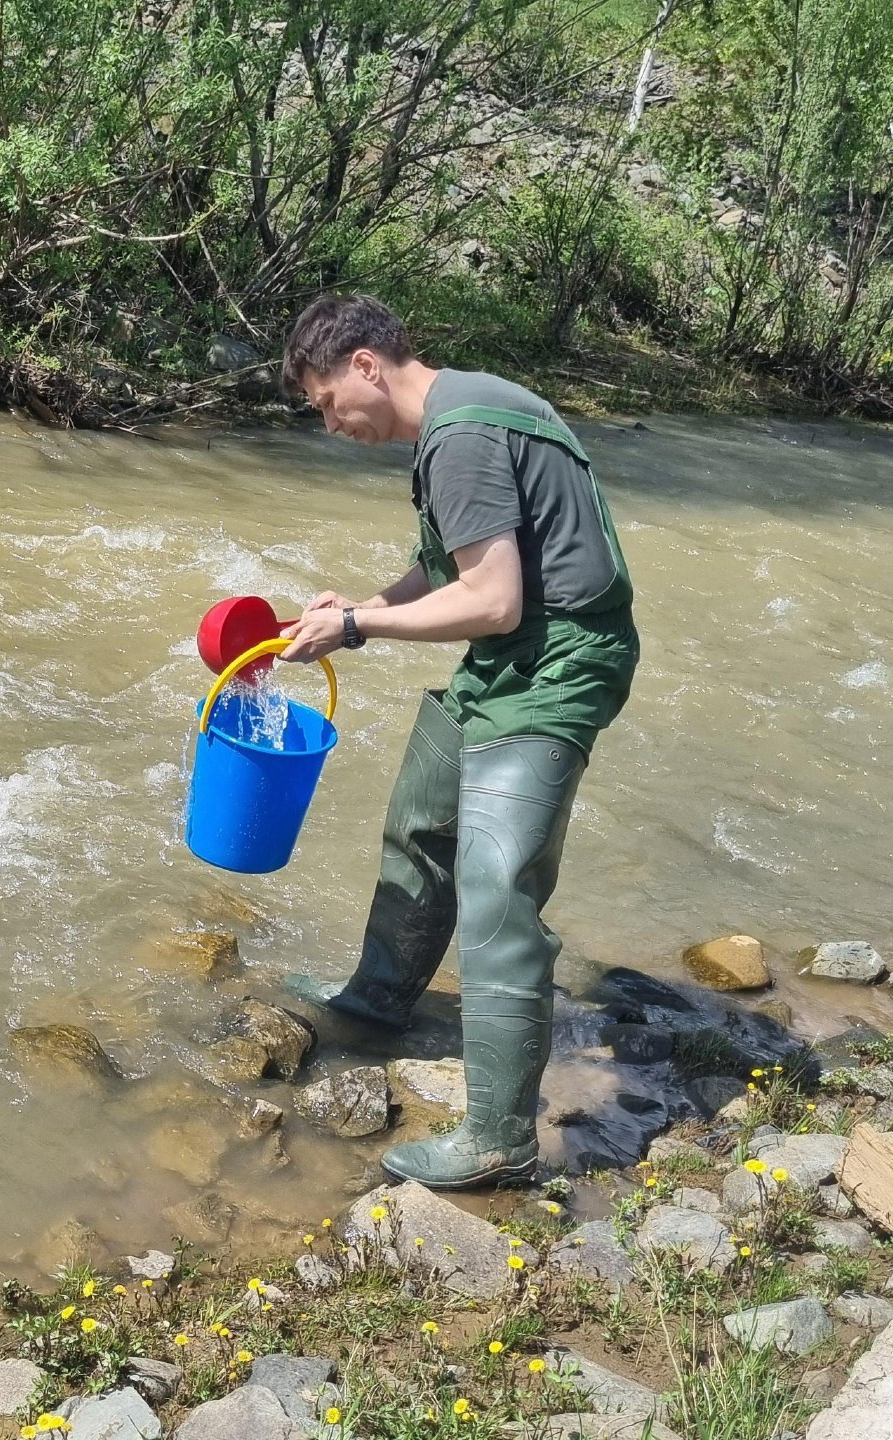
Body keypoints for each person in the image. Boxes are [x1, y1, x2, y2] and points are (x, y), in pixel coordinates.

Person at [274, 293, 639, 1190]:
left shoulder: (461, 436)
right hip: (511, 658)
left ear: (366, 364)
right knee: (420, 823)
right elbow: (453, 566)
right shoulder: (464, 412)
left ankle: (499, 1139)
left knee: (496, 884)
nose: (330, 425)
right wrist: (366, 601)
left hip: (556, 667)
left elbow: (493, 600)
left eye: (325, 403)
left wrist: (357, 628)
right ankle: (378, 1000)